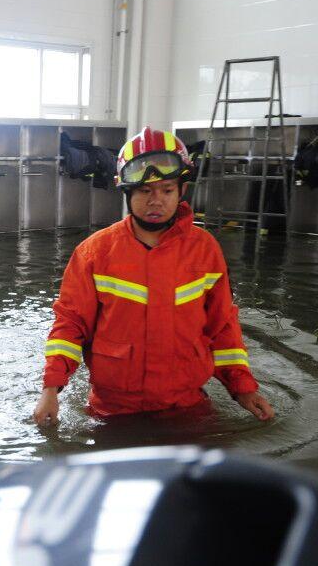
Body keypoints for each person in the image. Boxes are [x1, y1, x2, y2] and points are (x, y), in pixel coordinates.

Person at [33, 126, 274, 425]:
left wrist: (243, 389)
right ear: (127, 192)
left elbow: (223, 326)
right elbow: (70, 324)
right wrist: (51, 389)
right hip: (113, 410)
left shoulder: (204, 249)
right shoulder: (94, 253)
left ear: (182, 191)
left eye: (167, 190)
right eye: (145, 191)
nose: (156, 200)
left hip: (187, 405)